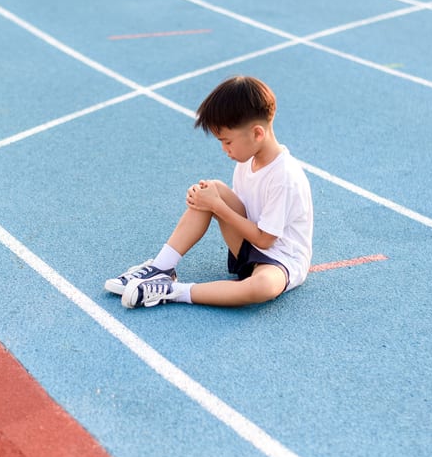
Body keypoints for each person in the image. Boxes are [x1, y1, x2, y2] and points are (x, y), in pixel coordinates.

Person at [105, 75, 313, 308]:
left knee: (262, 287)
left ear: (257, 134)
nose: (224, 149)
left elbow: (265, 240)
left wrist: (217, 206)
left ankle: (173, 291)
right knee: (211, 189)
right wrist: (208, 200)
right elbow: (243, 211)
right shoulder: (246, 162)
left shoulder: (284, 176)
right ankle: (160, 268)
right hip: (250, 247)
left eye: (227, 141)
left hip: (280, 261)